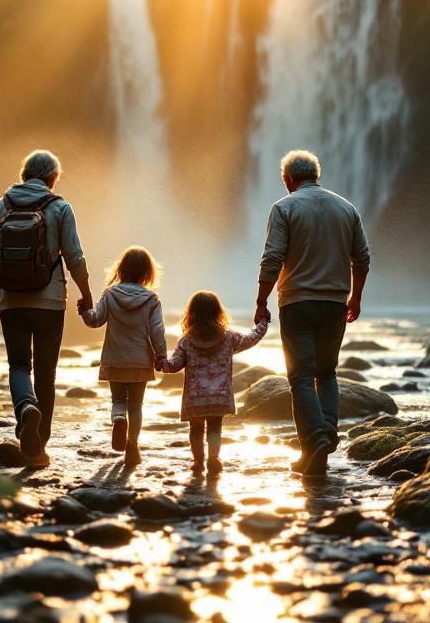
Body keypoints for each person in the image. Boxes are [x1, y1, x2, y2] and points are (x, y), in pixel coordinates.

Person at [255, 150, 370, 476]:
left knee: (301, 378)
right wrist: (356, 297)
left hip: (296, 303)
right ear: (316, 175)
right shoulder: (347, 208)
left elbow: (272, 259)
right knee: (326, 372)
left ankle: (316, 441)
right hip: (335, 303)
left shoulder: (284, 207)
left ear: (287, 180)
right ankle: (323, 438)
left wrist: (261, 301)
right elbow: (362, 258)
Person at [0, 150, 92, 467]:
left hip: (10, 300)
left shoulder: (0, 206)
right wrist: (86, 293)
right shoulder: (60, 207)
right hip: (50, 300)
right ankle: (37, 448)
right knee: (46, 374)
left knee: (18, 366)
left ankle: (25, 409)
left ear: (24, 174)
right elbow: (75, 257)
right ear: (52, 178)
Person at [157, 291, 268, 474]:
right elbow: (251, 339)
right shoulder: (228, 338)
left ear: (191, 314)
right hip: (219, 396)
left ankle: (198, 462)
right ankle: (213, 458)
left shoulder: (186, 341)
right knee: (215, 429)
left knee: (196, 430)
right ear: (218, 312)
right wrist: (263, 323)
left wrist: (162, 364)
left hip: (195, 398)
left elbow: (174, 365)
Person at [79, 246, 166, 466]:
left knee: (118, 400)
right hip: (140, 361)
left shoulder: (111, 293)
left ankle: (118, 419)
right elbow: (157, 331)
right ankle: (132, 446)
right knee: (136, 405)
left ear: (122, 269)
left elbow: (96, 320)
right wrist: (161, 356)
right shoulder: (151, 299)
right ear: (147, 273)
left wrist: (84, 312)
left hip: (115, 359)